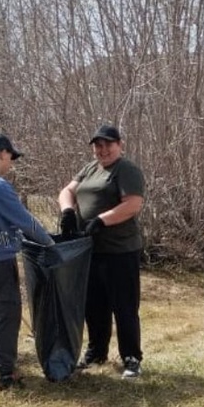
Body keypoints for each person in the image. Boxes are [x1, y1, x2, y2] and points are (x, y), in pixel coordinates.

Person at [58, 123, 146, 378]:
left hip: (120, 250)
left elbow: (132, 205)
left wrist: (101, 220)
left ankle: (131, 358)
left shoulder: (126, 169)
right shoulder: (90, 168)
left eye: (108, 144)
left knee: (124, 306)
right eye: (98, 145)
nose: (102, 149)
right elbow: (67, 190)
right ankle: (97, 352)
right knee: (94, 305)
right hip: (90, 249)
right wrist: (66, 210)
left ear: (120, 145)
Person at [0, 132, 53, 390]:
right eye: (11, 158)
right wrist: (50, 244)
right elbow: (24, 220)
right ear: (2, 153)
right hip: (1, 259)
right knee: (8, 314)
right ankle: (6, 374)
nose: (11, 164)